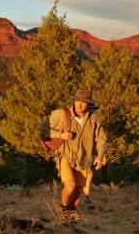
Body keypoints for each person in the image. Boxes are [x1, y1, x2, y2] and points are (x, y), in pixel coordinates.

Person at [40, 89, 107, 218]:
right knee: (70, 185)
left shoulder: (93, 119)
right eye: (77, 101)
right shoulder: (61, 115)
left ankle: (71, 215)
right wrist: (60, 134)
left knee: (77, 191)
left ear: (89, 104)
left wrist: (100, 155)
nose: (79, 104)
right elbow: (43, 129)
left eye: (83, 102)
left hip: (83, 159)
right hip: (65, 155)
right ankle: (63, 211)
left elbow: (101, 137)